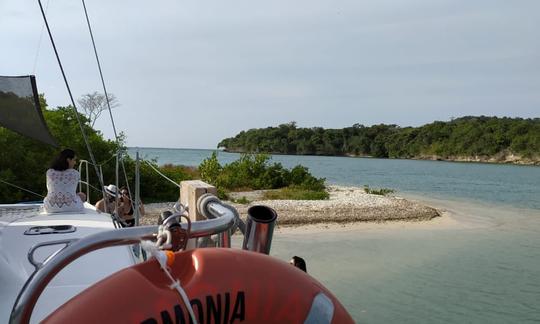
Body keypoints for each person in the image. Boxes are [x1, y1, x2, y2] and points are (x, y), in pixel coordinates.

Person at [43, 149, 86, 213]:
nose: (75, 163)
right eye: (74, 160)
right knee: (82, 195)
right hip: (72, 207)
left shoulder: (49, 172)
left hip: (50, 208)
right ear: (68, 160)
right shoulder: (75, 173)